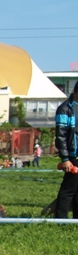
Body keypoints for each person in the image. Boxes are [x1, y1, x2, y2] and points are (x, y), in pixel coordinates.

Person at [54, 81, 78, 218]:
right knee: (68, 190)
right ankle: (60, 220)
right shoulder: (65, 109)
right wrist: (65, 158)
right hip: (73, 155)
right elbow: (60, 135)